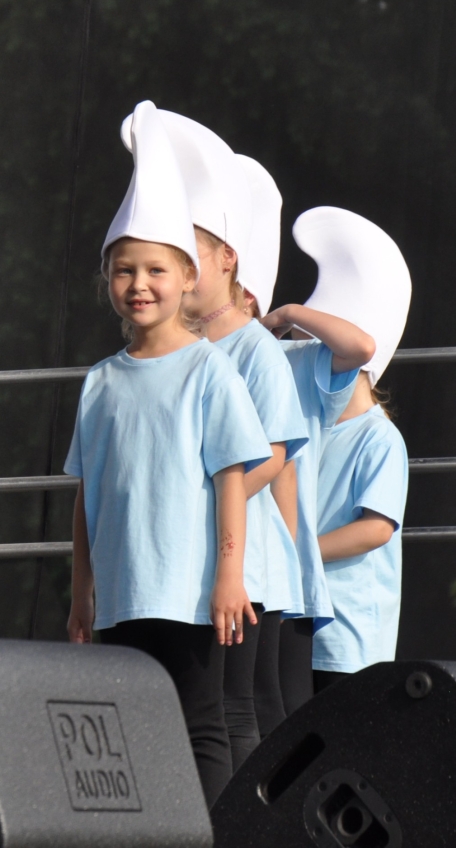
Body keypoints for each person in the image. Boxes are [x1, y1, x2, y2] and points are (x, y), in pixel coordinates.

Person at [66, 101, 270, 806]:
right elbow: (88, 495)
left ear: (187, 276)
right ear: (108, 281)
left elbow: (232, 477)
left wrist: (229, 577)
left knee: (200, 724)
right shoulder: (99, 381)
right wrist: (81, 592)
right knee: (131, 728)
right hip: (121, 594)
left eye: (155, 268)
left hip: (187, 592)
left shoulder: (210, 369)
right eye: (124, 271)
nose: (139, 284)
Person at [158, 112, 304, 769]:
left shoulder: (255, 351)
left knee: (235, 710)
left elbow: (274, 456)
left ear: (227, 260)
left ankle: (250, 817)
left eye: (192, 252)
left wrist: (202, 500)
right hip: (193, 555)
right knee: (199, 708)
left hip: (247, 562)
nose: (182, 269)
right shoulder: (180, 351)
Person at [258, 203, 381, 717]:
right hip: (258, 572)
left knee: (283, 716)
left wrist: (288, 314)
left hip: (316, 604)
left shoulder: (376, 435)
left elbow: (360, 346)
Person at [285, 208, 413, 691]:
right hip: (302, 622)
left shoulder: (380, 438)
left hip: (351, 638)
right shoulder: (307, 429)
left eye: (312, 354)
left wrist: (295, 553)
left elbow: (376, 529)